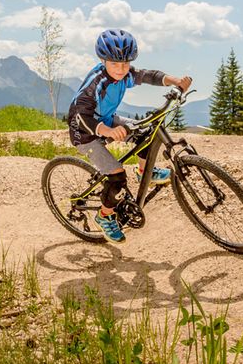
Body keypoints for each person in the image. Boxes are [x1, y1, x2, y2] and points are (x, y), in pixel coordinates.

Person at [67, 28, 192, 242]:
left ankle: (145, 171)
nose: (121, 69)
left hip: (106, 119)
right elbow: (81, 116)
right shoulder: (95, 83)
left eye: (125, 63)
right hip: (84, 132)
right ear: (102, 60)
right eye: (115, 64)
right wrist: (107, 131)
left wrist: (175, 81)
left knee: (145, 133)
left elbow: (147, 75)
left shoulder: (126, 73)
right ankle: (105, 216)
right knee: (116, 176)